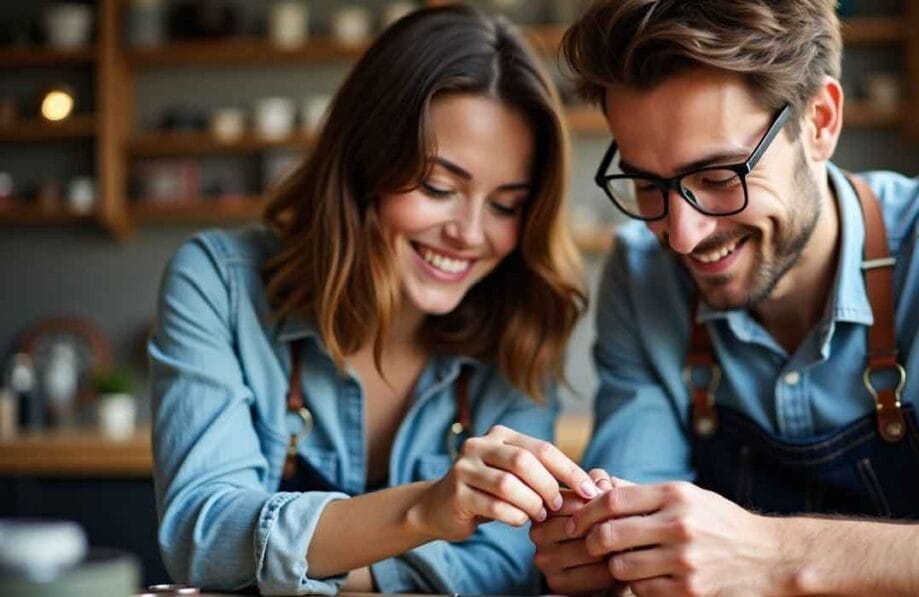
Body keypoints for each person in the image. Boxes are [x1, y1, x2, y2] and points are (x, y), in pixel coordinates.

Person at [530, 1, 919, 595]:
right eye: (647, 185)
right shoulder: (641, 275)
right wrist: (598, 549)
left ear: (820, 122)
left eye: (718, 178)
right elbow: (634, 520)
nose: (681, 235)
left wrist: (775, 554)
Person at [149, 5, 596, 595]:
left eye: (505, 204)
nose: (468, 232)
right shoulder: (219, 284)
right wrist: (424, 513)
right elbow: (202, 537)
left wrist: (300, 568)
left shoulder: (523, 317)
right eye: (439, 187)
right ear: (364, 162)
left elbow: (498, 572)